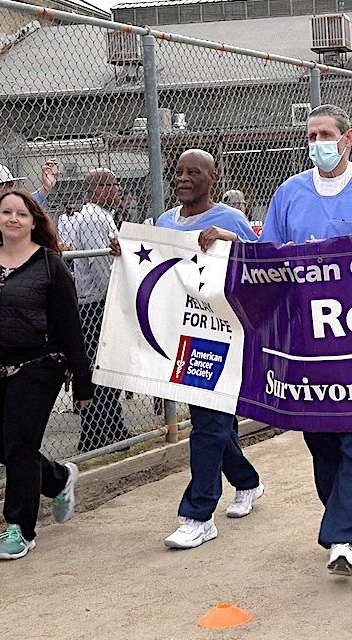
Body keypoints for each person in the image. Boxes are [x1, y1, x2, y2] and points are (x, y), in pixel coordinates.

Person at [231, 104, 352, 576]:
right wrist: (230, 241)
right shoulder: (289, 194)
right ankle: (342, 512)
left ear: (348, 138)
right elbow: (269, 260)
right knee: (319, 436)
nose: (319, 142)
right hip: (305, 338)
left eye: (327, 133)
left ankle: (345, 535)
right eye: (312, 134)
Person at [0, 190, 90, 560]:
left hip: (39, 365)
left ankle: (19, 528)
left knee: (20, 445)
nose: (13, 219)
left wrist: (82, 379)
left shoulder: (49, 265)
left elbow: (71, 328)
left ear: (33, 221)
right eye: (5, 212)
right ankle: (58, 480)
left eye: (21, 214)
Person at [146, 150, 265, 549]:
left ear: (212, 178)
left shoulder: (230, 219)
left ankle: (198, 514)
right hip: (184, 337)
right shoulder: (164, 223)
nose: (183, 178)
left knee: (209, 425)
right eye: (178, 172)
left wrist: (233, 240)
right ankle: (247, 482)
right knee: (211, 422)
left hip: (224, 338)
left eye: (193, 172)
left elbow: (262, 268)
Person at [58, 169, 131, 452]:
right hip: (96, 302)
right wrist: (116, 298)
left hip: (96, 300)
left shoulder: (100, 216)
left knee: (106, 367)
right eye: (114, 185)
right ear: (99, 188)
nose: (118, 190)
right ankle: (96, 433)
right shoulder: (94, 217)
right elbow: (102, 266)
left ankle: (111, 428)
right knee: (98, 368)